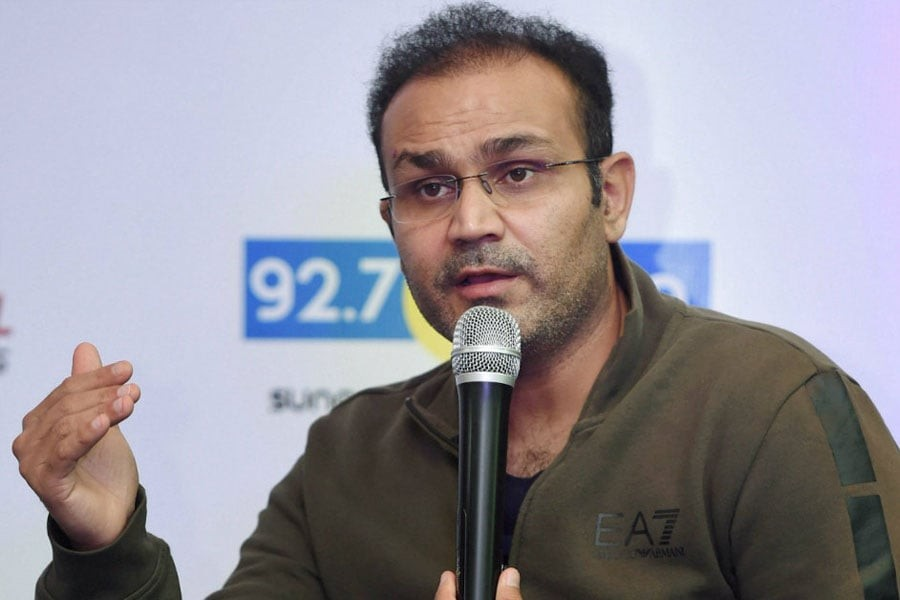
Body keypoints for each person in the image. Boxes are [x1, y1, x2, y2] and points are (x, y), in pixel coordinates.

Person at [12, 2, 900, 599]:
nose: (472, 222)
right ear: (391, 221)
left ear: (611, 195)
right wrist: (106, 547)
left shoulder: (769, 411)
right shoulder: (351, 454)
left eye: (518, 172)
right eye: (429, 188)